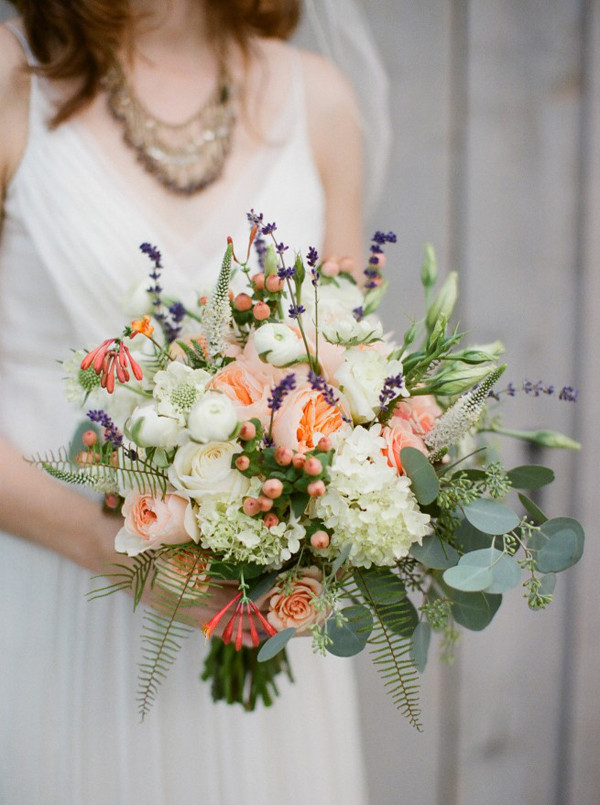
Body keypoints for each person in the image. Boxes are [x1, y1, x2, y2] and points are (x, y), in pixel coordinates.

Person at [0, 1, 370, 803]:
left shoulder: (322, 100)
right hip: (55, 608)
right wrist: (112, 547)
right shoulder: (10, 76)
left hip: (267, 632)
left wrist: (334, 498)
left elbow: (350, 370)